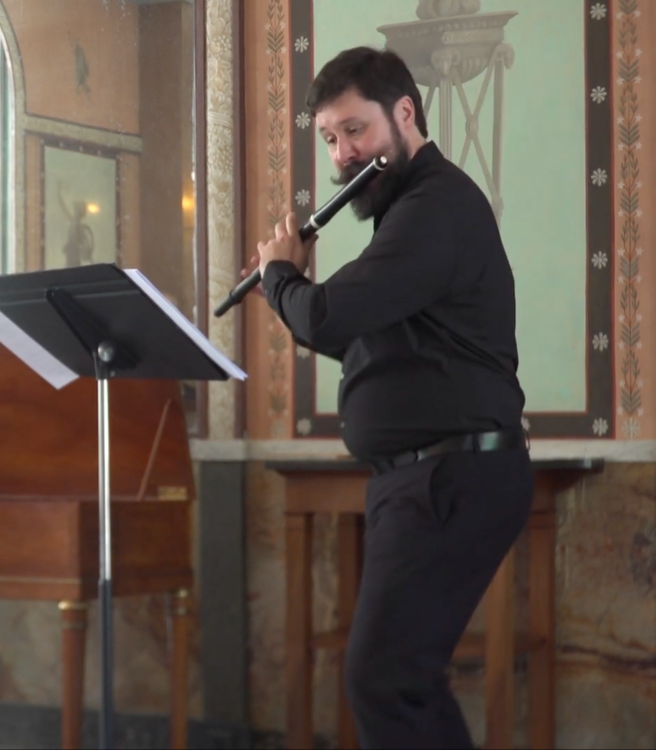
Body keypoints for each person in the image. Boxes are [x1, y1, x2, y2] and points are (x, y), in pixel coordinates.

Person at [248, 47, 532, 748]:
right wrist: (298, 290)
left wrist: (282, 279)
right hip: (424, 478)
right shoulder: (410, 212)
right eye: (330, 141)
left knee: (385, 680)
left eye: (355, 131)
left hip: (452, 476)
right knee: (398, 679)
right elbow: (374, 341)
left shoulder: (437, 206)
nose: (343, 156)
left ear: (405, 113)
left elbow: (327, 318)